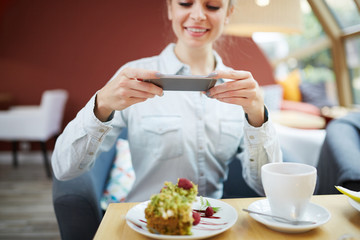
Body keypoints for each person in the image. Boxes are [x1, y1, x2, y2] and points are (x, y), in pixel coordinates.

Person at [52, 0, 282, 202]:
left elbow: (268, 188)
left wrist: (257, 117)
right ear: (170, 8)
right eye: (185, 3)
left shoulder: (241, 90)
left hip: (211, 224)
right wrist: (101, 104)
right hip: (145, 222)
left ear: (229, 13)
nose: (198, 15)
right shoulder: (132, 77)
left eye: (212, 5)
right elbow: (64, 169)